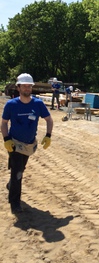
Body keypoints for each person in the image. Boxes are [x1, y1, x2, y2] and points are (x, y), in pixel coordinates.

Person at [1, 73, 53, 213]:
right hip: (14, 143)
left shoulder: (38, 104)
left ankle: (11, 184)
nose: (27, 88)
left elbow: (49, 119)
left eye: (29, 86)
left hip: (29, 144)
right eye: (24, 86)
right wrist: (6, 139)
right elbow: (4, 123)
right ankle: (15, 203)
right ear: (18, 88)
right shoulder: (11, 105)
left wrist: (48, 135)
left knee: (20, 169)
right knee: (18, 172)